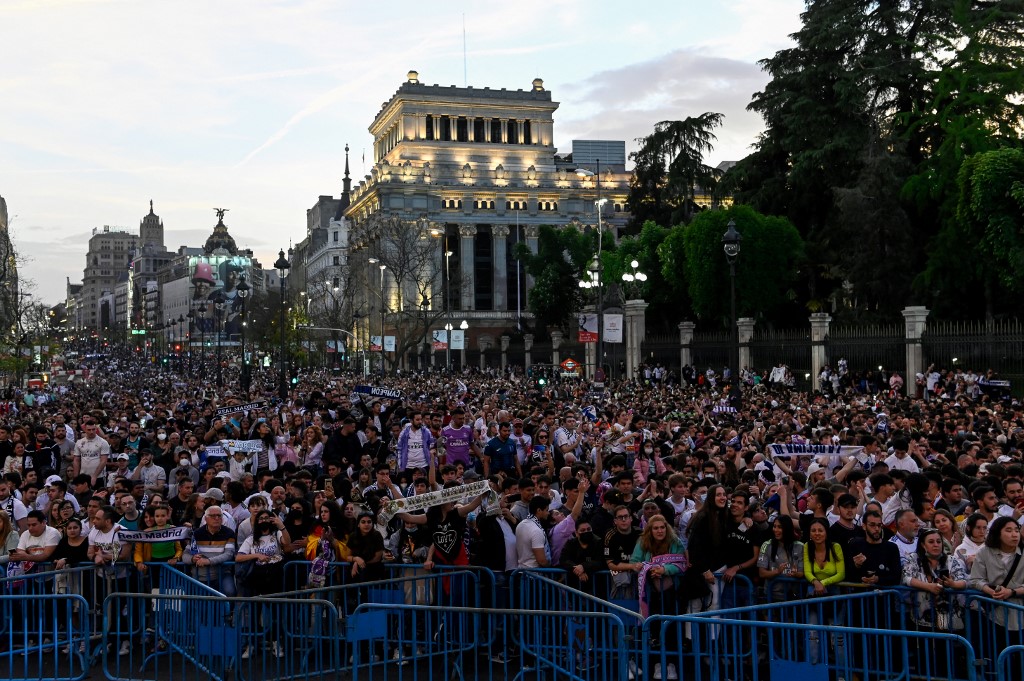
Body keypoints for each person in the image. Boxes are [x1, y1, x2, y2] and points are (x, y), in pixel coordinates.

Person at [902, 528, 967, 630]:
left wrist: (952, 584)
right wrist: (928, 586)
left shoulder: (951, 560)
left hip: (949, 620)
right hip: (922, 619)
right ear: (923, 545)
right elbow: (906, 578)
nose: (936, 545)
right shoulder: (914, 559)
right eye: (931, 542)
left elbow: (964, 581)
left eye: (938, 541)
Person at [758, 514, 804, 601]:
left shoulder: (800, 546)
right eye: (774, 526)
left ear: (787, 529)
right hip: (772, 597)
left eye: (780, 527)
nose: (776, 530)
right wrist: (777, 571)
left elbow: (802, 573)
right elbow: (762, 573)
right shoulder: (766, 545)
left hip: (794, 598)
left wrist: (796, 574)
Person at [803, 517, 845, 596]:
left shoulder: (835, 547)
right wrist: (816, 582)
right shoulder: (807, 546)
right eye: (813, 531)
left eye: (820, 530)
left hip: (834, 592)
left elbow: (841, 574)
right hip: (814, 591)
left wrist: (822, 583)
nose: (817, 533)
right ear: (809, 534)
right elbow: (807, 571)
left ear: (826, 533)